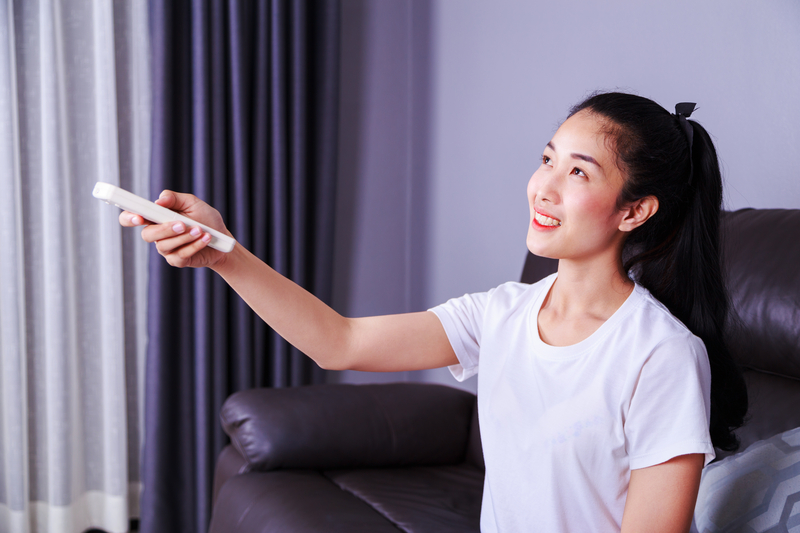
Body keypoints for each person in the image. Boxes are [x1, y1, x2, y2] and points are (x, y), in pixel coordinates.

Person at [121, 91, 747, 532]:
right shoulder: (500, 314)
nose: (543, 186)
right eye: (548, 158)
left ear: (635, 211)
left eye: (578, 172)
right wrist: (224, 253)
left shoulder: (661, 354)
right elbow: (339, 342)